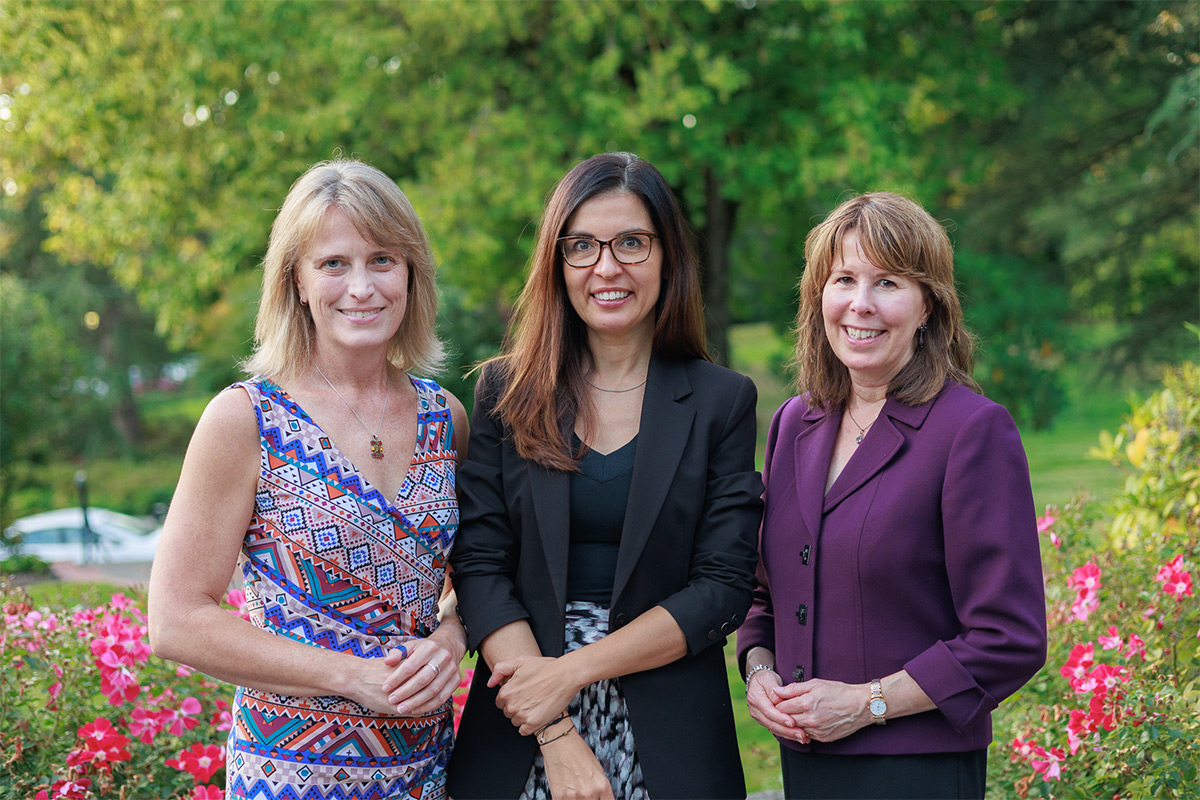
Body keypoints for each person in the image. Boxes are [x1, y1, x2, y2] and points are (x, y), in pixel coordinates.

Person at [148, 159, 468, 800]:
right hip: (291, 775)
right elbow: (175, 620)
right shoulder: (246, 419)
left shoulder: (447, 418)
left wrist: (451, 638)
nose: (362, 287)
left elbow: (472, 583)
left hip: (426, 769)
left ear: (411, 273)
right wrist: (348, 675)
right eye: (333, 264)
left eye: (382, 259)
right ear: (294, 280)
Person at [447, 152, 763, 800]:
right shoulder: (505, 392)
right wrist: (556, 727)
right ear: (557, 262)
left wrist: (574, 672)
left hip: (671, 735)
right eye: (582, 246)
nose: (607, 266)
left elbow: (723, 586)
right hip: (522, 726)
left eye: (631, 243)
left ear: (667, 255)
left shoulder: (722, 401)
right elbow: (480, 564)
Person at [737, 192, 1047, 799]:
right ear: (817, 297)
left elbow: (1009, 638)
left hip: (917, 770)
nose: (861, 304)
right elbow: (764, 593)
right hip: (807, 765)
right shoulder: (795, 423)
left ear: (929, 305)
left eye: (888, 283)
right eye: (844, 279)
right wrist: (760, 673)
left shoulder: (970, 431)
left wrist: (866, 703)